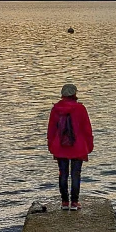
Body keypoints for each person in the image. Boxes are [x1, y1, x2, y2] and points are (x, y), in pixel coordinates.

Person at [47, 83, 94, 211]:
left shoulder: (56, 109)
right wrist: (89, 145)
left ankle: (64, 202)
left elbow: (51, 130)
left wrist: (51, 145)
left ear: (62, 95)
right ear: (75, 94)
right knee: (75, 174)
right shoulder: (80, 109)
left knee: (63, 174)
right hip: (78, 146)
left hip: (60, 146)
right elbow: (87, 129)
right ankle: (74, 202)